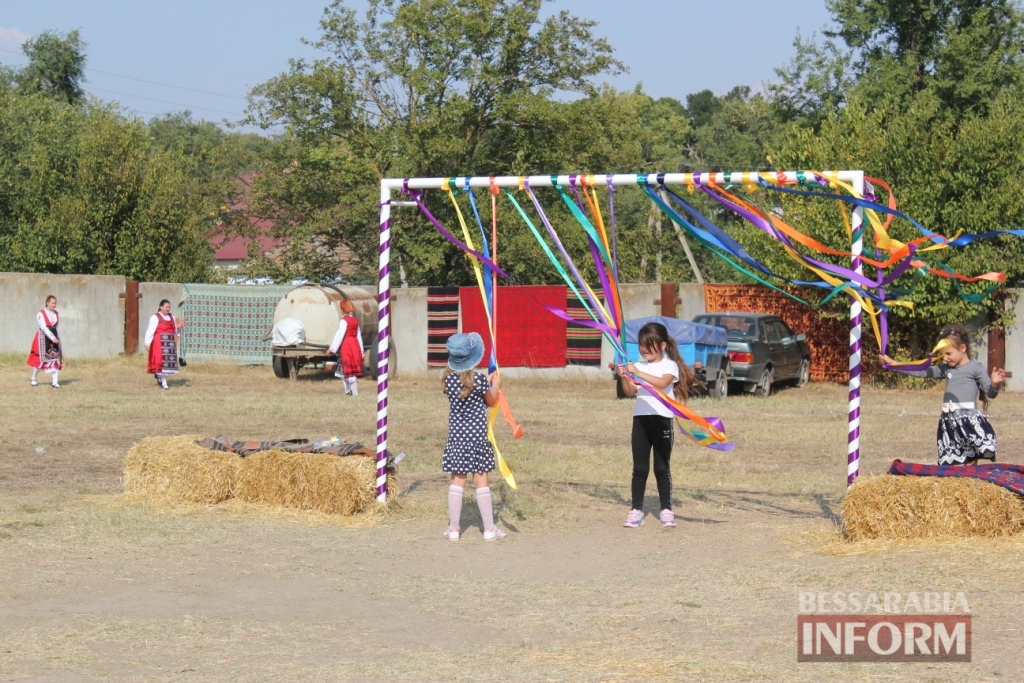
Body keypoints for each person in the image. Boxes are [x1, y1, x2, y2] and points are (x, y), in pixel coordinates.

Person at [880, 324, 1005, 466]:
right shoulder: (946, 369)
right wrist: (894, 364)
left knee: (971, 455)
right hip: (948, 421)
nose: (945, 358)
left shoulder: (975, 368)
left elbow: (990, 393)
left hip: (967, 420)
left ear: (963, 348)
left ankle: (971, 479)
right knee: (951, 460)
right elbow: (921, 371)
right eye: (942, 354)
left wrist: (994, 383)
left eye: (948, 353)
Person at [614, 322, 695, 528]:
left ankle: (666, 509)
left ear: (662, 346)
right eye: (642, 345)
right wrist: (624, 375)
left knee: (661, 468)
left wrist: (637, 373)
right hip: (641, 420)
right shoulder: (638, 366)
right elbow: (630, 392)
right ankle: (636, 509)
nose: (645, 350)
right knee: (639, 468)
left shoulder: (669, 365)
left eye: (650, 345)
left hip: (662, 420)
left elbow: (662, 383)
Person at [441, 332, 506, 542]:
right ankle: (489, 529)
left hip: (458, 439)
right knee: (481, 481)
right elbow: (490, 399)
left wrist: (486, 382)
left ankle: (453, 529)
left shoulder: (447, 381)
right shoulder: (479, 380)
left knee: (457, 481)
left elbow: (468, 387)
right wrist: (496, 384)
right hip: (477, 438)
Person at [27, 294, 62, 388]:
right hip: (43, 337)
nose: (54, 305)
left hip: (54, 336)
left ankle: (55, 382)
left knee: (55, 358)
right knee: (41, 359)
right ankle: (33, 378)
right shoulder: (40, 314)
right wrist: (52, 337)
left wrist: (56, 337)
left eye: (55, 303)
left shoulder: (56, 313)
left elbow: (56, 326)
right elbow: (43, 327)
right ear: (47, 303)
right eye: (52, 303)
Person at [328, 300, 363, 396]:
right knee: (345, 371)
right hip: (354, 345)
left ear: (342, 309)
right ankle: (348, 391)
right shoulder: (355, 321)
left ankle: (354, 394)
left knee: (348, 370)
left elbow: (339, 335)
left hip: (347, 346)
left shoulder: (344, 321)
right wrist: (361, 350)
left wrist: (332, 348)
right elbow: (358, 336)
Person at [145, 299, 180, 390]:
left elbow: (175, 329)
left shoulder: (171, 316)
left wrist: (179, 326)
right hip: (159, 342)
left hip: (169, 343)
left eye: (169, 307)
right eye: (166, 307)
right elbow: (150, 330)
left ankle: (160, 377)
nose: (168, 309)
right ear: (161, 307)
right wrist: (147, 342)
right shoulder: (155, 317)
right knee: (161, 363)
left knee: (167, 363)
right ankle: (164, 383)